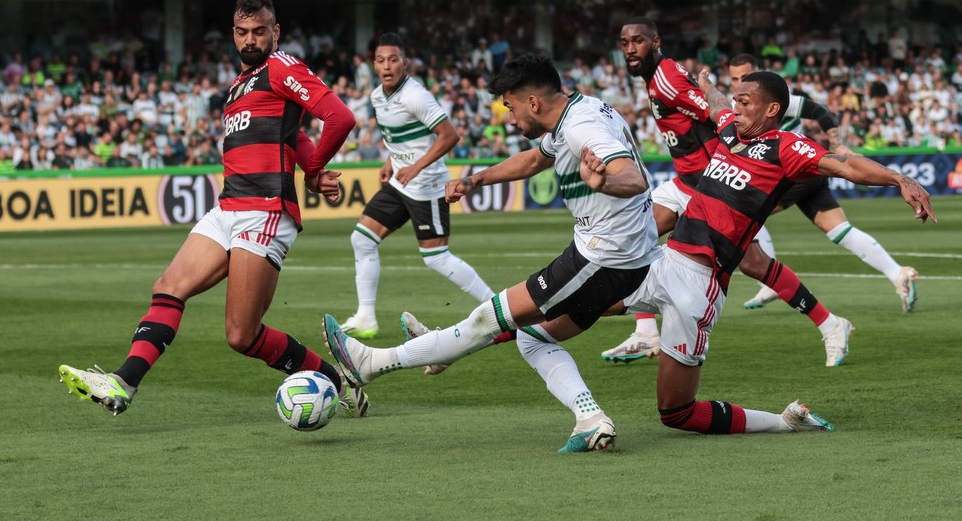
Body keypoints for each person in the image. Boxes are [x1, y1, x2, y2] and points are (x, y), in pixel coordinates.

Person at [330, 67, 936, 448]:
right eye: (736, 96)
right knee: (538, 326)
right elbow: (694, 98)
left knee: (677, 413)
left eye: (747, 99)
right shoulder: (727, 131)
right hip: (659, 264)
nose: (736, 103)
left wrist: (898, 180)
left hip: (698, 291)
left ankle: (783, 422)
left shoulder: (785, 147)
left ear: (772, 110)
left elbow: (845, 164)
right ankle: (423, 352)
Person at [325, 52, 661, 452]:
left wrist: (602, 182)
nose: (511, 119)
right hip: (623, 257)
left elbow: (632, 176)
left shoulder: (582, 124)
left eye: (512, 108)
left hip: (604, 259)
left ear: (532, 102)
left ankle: (372, 364)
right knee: (532, 338)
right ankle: (590, 419)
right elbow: (535, 159)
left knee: (488, 317)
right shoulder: (576, 110)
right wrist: (475, 180)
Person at [59, 0, 368, 419]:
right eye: (242, 32)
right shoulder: (239, 84)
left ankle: (336, 381)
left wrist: (313, 169)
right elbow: (291, 135)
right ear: (233, 34)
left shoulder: (281, 66)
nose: (250, 39)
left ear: (275, 32)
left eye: (260, 31)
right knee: (168, 287)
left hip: (265, 211)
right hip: (227, 208)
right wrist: (309, 168)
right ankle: (123, 381)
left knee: (241, 336)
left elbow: (340, 117)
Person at [602, 20, 853, 368]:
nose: (630, 49)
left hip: (710, 184)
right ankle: (646, 332)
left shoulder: (666, 79)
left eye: (638, 41)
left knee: (753, 263)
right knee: (634, 234)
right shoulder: (658, 76)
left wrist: (735, 151)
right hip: (685, 183)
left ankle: (830, 323)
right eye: (624, 42)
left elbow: (718, 113)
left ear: (654, 42)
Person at [726, 54, 920, 312]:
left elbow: (818, 110)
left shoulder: (774, 99)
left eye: (745, 76)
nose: (740, 82)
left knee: (744, 211)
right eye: (735, 78)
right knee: (840, 230)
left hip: (792, 170)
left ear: (758, 73)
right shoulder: (737, 105)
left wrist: (837, 142)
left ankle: (770, 277)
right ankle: (897, 273)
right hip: (806, 171)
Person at [337, 33, 494, 339]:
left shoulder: (415, 95)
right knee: (362, 240)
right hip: (400, 182)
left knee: (436, 258)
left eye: (393, 59)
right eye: (381, 60)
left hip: (427, 186)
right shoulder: (376, 97)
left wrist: (415, 166)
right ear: (374, 65)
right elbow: (397, 137)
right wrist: (390, 162)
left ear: (404, 63)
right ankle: (366, 317)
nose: (387, 65)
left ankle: (495, 304)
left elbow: (449, 136)